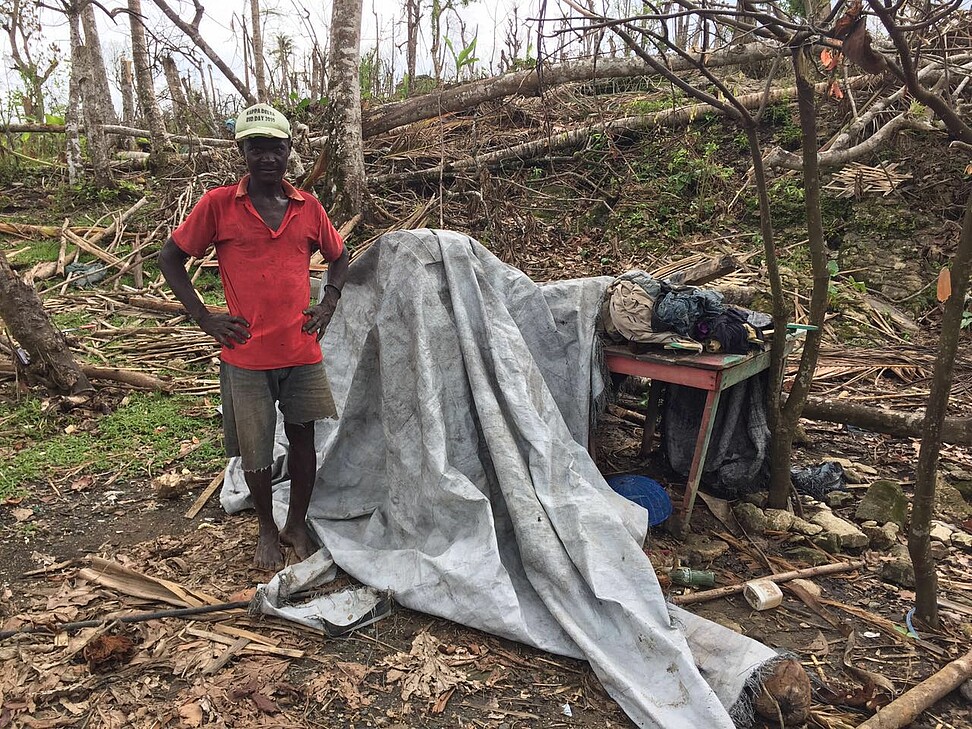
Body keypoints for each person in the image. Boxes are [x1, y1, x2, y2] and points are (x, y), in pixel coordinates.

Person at [159, 103, 349, 570]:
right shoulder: (218, 205)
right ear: (243, 152)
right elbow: (170, 259)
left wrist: (328, 303)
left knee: (304, 440)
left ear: (289, 151)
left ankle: (296, 523)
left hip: (300, 349)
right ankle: (267, 527)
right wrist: (206, 318)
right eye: (257, 148)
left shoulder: (308, 208)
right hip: (245, 354)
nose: (267, 158)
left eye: (276, 148)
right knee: (257, 447)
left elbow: (339, 257)